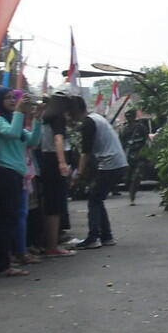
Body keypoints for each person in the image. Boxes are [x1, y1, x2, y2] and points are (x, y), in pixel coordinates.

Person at [0, 87, 39, 276]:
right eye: (6, 98)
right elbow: (13, 134)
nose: (10, 100)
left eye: (11, 98)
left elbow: (32, 140)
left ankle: (6, 261)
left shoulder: (13, 119)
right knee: (4, 220)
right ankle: (1, 264)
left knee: (11, 219)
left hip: (16, 173)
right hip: (3, 171)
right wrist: (19, 111)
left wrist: (38, 118)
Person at [70, 96, 129, 249]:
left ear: (75, 110)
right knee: (97, 198)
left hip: (110, 164)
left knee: (94, 199)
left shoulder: (89, 122)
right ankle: (106, 236)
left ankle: (94, 237)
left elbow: (86, 152)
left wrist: (79, 174)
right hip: (117, 162)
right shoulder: (95, 118)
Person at [37, 91, 76, 257]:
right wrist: (62, 163)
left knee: (51, 204)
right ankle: (52, 246)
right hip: (54, 161)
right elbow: (58, 140)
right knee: (56, 204)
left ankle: (50, 243)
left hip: (45, 159)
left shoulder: (45, 116)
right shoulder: (57, 117)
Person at [119, 109, 153, 205]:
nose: (129, 118)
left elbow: (147, 141)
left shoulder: (141, 128)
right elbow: (121, 144)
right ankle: (131, 192)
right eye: (127, 116)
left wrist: (149, 154)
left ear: (134, 117)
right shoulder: (123, 129)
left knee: (136, 177)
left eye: (130, 116)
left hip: (140, 156)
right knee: (127, 179)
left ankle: (132, 198)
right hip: (128, 156)